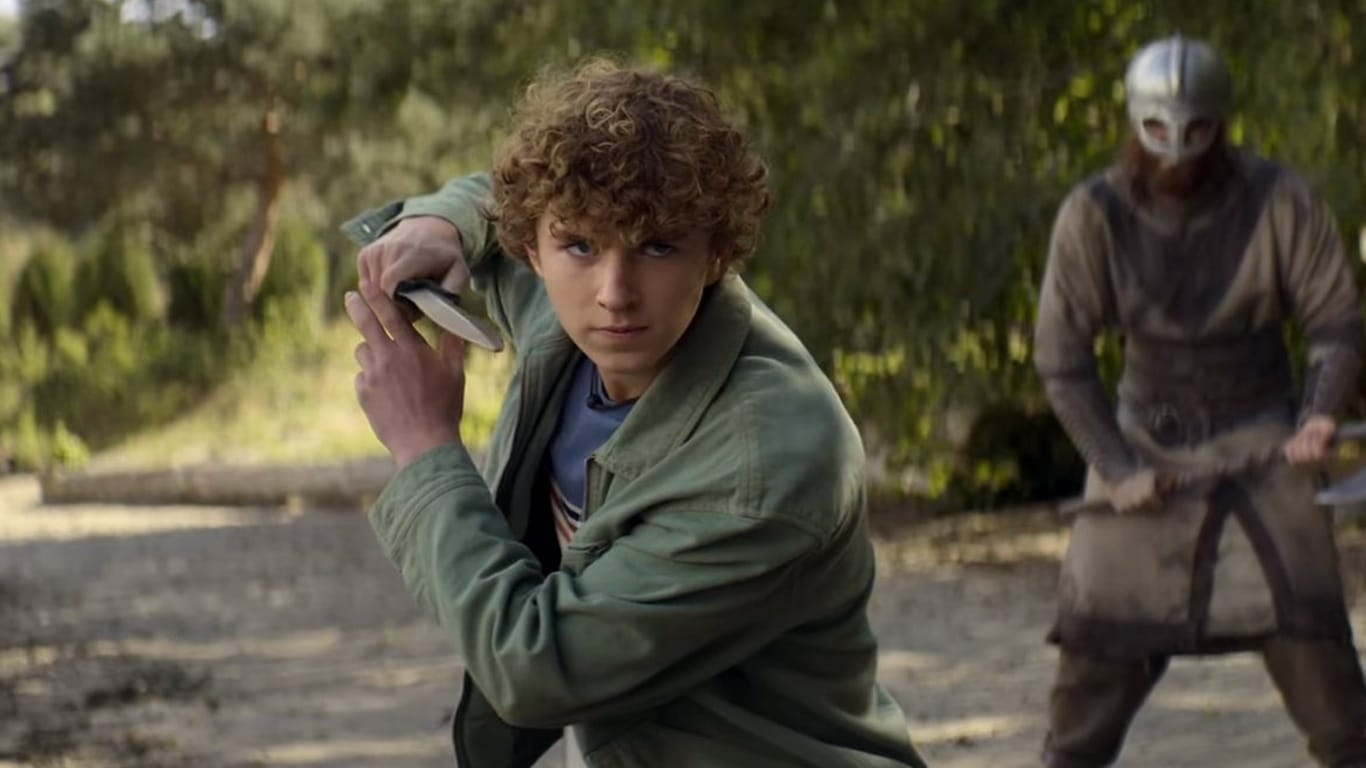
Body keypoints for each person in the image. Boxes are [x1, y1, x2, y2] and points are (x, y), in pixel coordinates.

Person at [339, 59, 926, 768]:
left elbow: (537, 668)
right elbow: (493, 199)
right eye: (581, 245)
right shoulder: (566, 316)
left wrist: (426, 449)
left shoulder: (769, 460)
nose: (615, 293)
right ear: (532, 250)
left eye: (658, 245)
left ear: (716, 254)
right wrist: (441, 222)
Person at [1034, 34, 1366, 767]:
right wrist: (1117, 468)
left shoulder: (1281, 202)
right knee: (1080, 720)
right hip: (1142, 453)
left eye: (1195, 131)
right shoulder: (1092, 216)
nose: (1176, 152)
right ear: (1134, 122)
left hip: (1266, 455)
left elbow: (1336, 322)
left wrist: (1318, 414)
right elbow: (1061, 359)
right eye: (1158, 131)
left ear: (1221, 123)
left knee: (1341, 716)